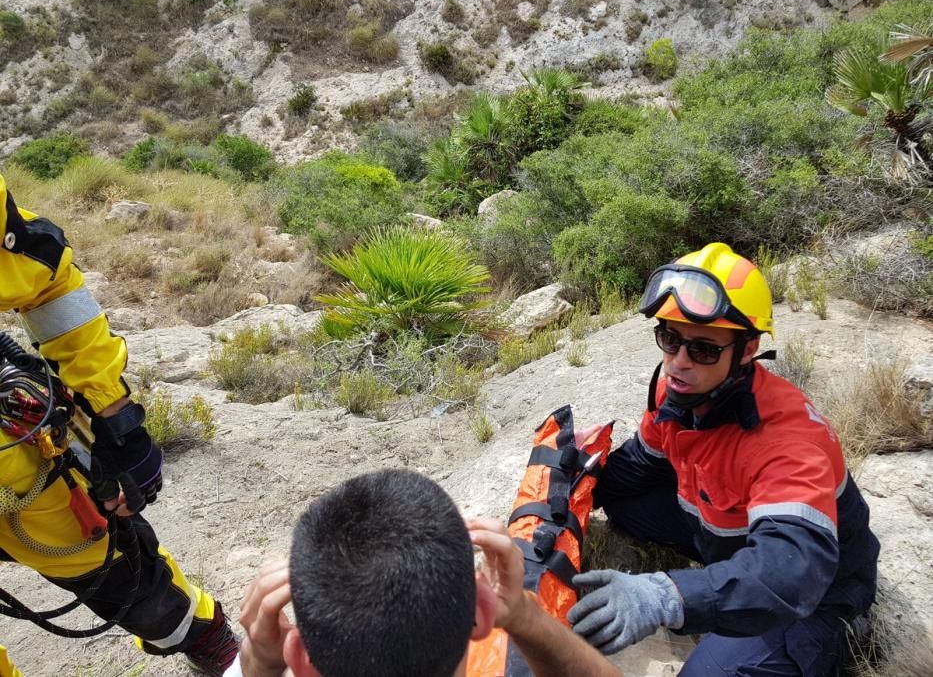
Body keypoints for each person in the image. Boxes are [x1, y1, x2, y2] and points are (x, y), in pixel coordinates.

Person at [567, 242, 880, 676]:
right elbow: (641, 464)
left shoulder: (787, 443)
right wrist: (575, 480)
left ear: (747, 350)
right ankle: (721, 579)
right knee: (624, 504)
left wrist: (668, 596)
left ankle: (842, 632)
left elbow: (789, 570)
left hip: (814, 591)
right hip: (724, 537)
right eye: (669, 338)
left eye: (703, 349)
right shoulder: (677, 392)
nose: (678, 362)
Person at [0, 174, 238, 676]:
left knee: (121, 572)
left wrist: (116, 418)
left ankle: (206, 636)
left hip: (11, 465)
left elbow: (44, 277)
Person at [226, 469, 623, 677]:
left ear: (300, 659)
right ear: (483, 613)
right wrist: (522, 613)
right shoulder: (494, 612)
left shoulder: (286, 660)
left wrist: (259, 666)